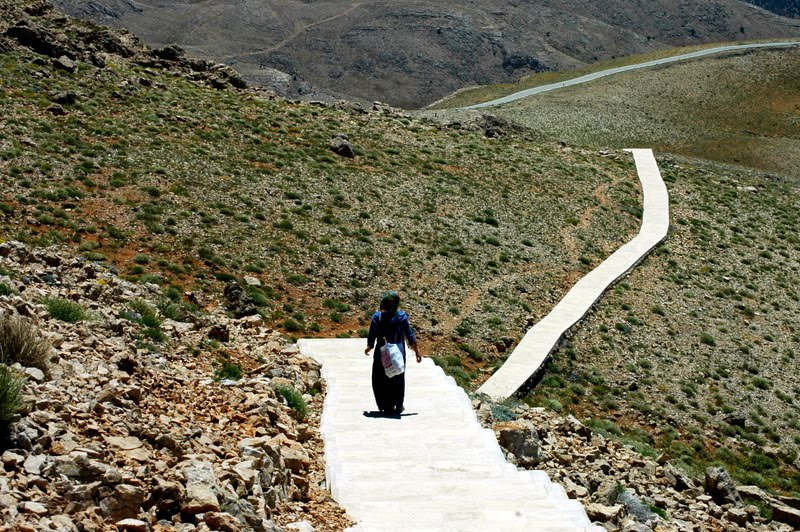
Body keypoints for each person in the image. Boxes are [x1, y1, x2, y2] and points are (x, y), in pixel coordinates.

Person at [363, 291, 421, 414]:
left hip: (381, 351)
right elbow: (410, 335)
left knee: (380, 377)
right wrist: (417, 352)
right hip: (398, 351)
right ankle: (398, 404)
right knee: (398, 377)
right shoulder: (401, 316)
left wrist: (369, 346)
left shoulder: (377, 317)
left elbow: (372, 333)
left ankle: (385, 405)